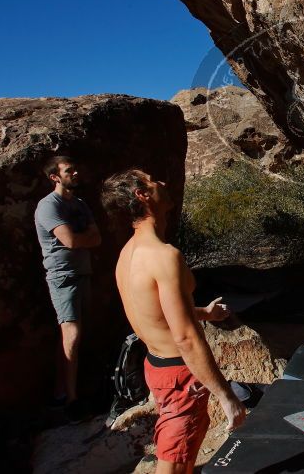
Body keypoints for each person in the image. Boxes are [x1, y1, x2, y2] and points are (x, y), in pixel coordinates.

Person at [101, 169, 245, 474]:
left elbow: (154, 311)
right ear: (142, 195)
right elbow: (186, 338)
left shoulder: (128, 253)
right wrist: (226, 396)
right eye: (153, 180)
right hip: (180, 374)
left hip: (156, 365)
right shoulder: (164, 256)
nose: (163, 182)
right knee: (176, 457)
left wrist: (204, 312)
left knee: (178, 446)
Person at [34, 155, 101, 418]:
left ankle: (62, 391)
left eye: (75, 169)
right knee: (71, 333)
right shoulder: (48, 206)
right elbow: (71, 241)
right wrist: (81, 238)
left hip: (83, 273)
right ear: (55, 177)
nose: (75, 173)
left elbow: (96, 239)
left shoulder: (80, 204)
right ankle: (71, 401)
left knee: (72, 334)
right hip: (63, 276)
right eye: (69, 170)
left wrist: (80, 239)